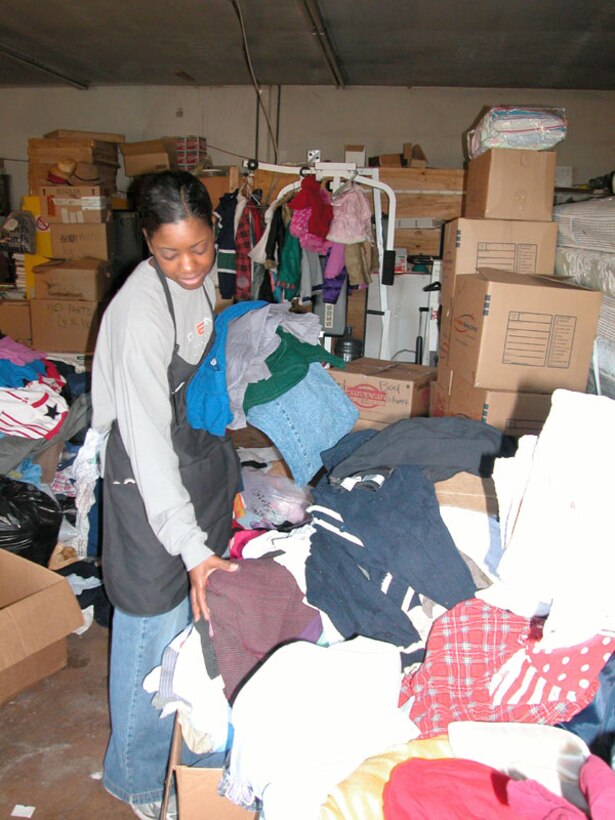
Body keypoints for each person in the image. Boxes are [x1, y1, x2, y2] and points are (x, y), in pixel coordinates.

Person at [92, 171, 241, 818]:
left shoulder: (203, 277)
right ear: (146, 243)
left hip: (192, 453)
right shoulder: (136, 316)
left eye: (201, 248)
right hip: (144, 466)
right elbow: (148, 443)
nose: (189, 266)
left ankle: (190, 757)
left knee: (190, 625)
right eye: (170, 252)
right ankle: (135, 779)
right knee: (152, 622)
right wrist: (188, 544)